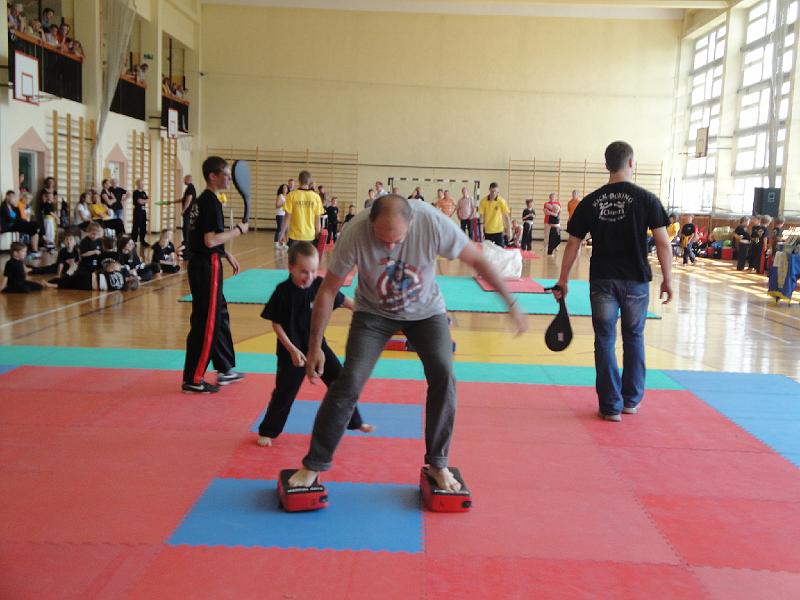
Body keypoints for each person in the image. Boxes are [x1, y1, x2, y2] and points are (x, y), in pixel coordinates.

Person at [286, 194, 528, 492]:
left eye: (397, 240)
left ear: (412, 223)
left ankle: (438, 463)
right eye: (382, 240)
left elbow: (478, 259)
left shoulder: (433, 223)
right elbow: (327, 291)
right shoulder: (355, 232)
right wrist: (314, 347)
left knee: (444, 374)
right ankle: (314, 463)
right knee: (349, 382)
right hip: (373, 314)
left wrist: (511, 302)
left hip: (426, 313)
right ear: (370, 223)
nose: (389, 247)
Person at [555, 141, 673, 422]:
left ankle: (610, 406)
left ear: (606, 165)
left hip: (603, 280)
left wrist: (563, 279)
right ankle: (630, 401)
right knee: (634, 337)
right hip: (636, 280)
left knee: (605, 340)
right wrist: (667, 280)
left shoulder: (590, 201)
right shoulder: (647, 199)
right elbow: (663, 243)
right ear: (631, 163)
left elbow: (573, 243)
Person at [256, 242, 374, 446]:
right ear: (291, 267)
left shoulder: (320, 285)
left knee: (340, 380)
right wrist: (292, 350)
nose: (309, 277)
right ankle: (268, 430)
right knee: (284, 393)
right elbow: (276, 324)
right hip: (291, 352)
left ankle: (355, 421)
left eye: (313, 271)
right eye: (303, 271)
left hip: (318, 347)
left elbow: (344, 301)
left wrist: (367, 313)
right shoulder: (283, 292)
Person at [182, 156, 248, 394]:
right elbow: (209, 240)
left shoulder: (202, 201)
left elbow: (203, 238)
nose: (230, 179)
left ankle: (224, 368)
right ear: (213, 176)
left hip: (205, 263)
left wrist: (225, 253)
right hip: (206, 267)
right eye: (226, 175)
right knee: (207, 322)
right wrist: (238, 231)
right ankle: (194, 378)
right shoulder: (210, 202)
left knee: (218, 314)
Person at [279, 170, 324, 247]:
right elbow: (317, 219)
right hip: (310, 236)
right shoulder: (316, 197)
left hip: (294, 236)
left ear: (299, 180)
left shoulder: (291, 195)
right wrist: (318, 233)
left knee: (294, 255)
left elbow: (287, 217)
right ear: (310, 181)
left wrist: (282, 233)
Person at [1, 190, 40, 257]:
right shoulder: (3, 206)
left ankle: (34, 251)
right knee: (33, 227)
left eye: (14, 197)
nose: (13, 199)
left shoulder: (13, 207)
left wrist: (15, 207)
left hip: (16, 224)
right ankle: (33, 250)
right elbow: (10, 219)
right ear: (7, 197)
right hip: (9, 225)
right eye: (12, 197)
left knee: (35, 228)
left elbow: (18, 216)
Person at [478, 182, 511, 247]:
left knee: (500, 250)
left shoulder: (501, 201)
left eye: (495, 191)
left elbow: (507, 217)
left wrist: (509, 231)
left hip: (499, 230)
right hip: (488, 231)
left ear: (498, 191)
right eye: (492, 191)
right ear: (489, 190)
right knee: (488, 251)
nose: (493, 193)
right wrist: (481, 232)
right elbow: (481, 217)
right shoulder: (483, 201)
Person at [180, 174, 197, 258]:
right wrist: (172, 202)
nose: (183, 181)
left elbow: (188, 199)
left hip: (188, 212)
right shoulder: (190, 188)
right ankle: (187, 248)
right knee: (186, 230)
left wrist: (183, 210)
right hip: (189, 212)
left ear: (188, 179)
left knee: (186, 230)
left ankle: (187, 251)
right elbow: (184, 199)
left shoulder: (190, 188)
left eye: (184, 179)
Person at [131, 179, 149, 247]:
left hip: (143, 211)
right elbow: (139, 201)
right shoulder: (136, 192)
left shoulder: (144, 192)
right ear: (138, 184)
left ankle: (142, 241)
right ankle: (134, 241)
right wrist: (144, 200)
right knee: (136, 225)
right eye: (141, 184)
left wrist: (143, 200)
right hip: (137, 210)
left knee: (143, 226)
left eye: (143, 184)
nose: (143, 185)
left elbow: (148, 200)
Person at [275, 184, 288, 249]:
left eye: (286, 188)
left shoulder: (287, 196)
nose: (285, 189)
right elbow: (277, 205)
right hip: (280, 214)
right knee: (279, 229)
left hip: (285, 214)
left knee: (285, 229)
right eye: (283, 188)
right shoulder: (280, 196)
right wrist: (283, 204)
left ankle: (283, 243)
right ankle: (276, 243)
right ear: (282, 189)